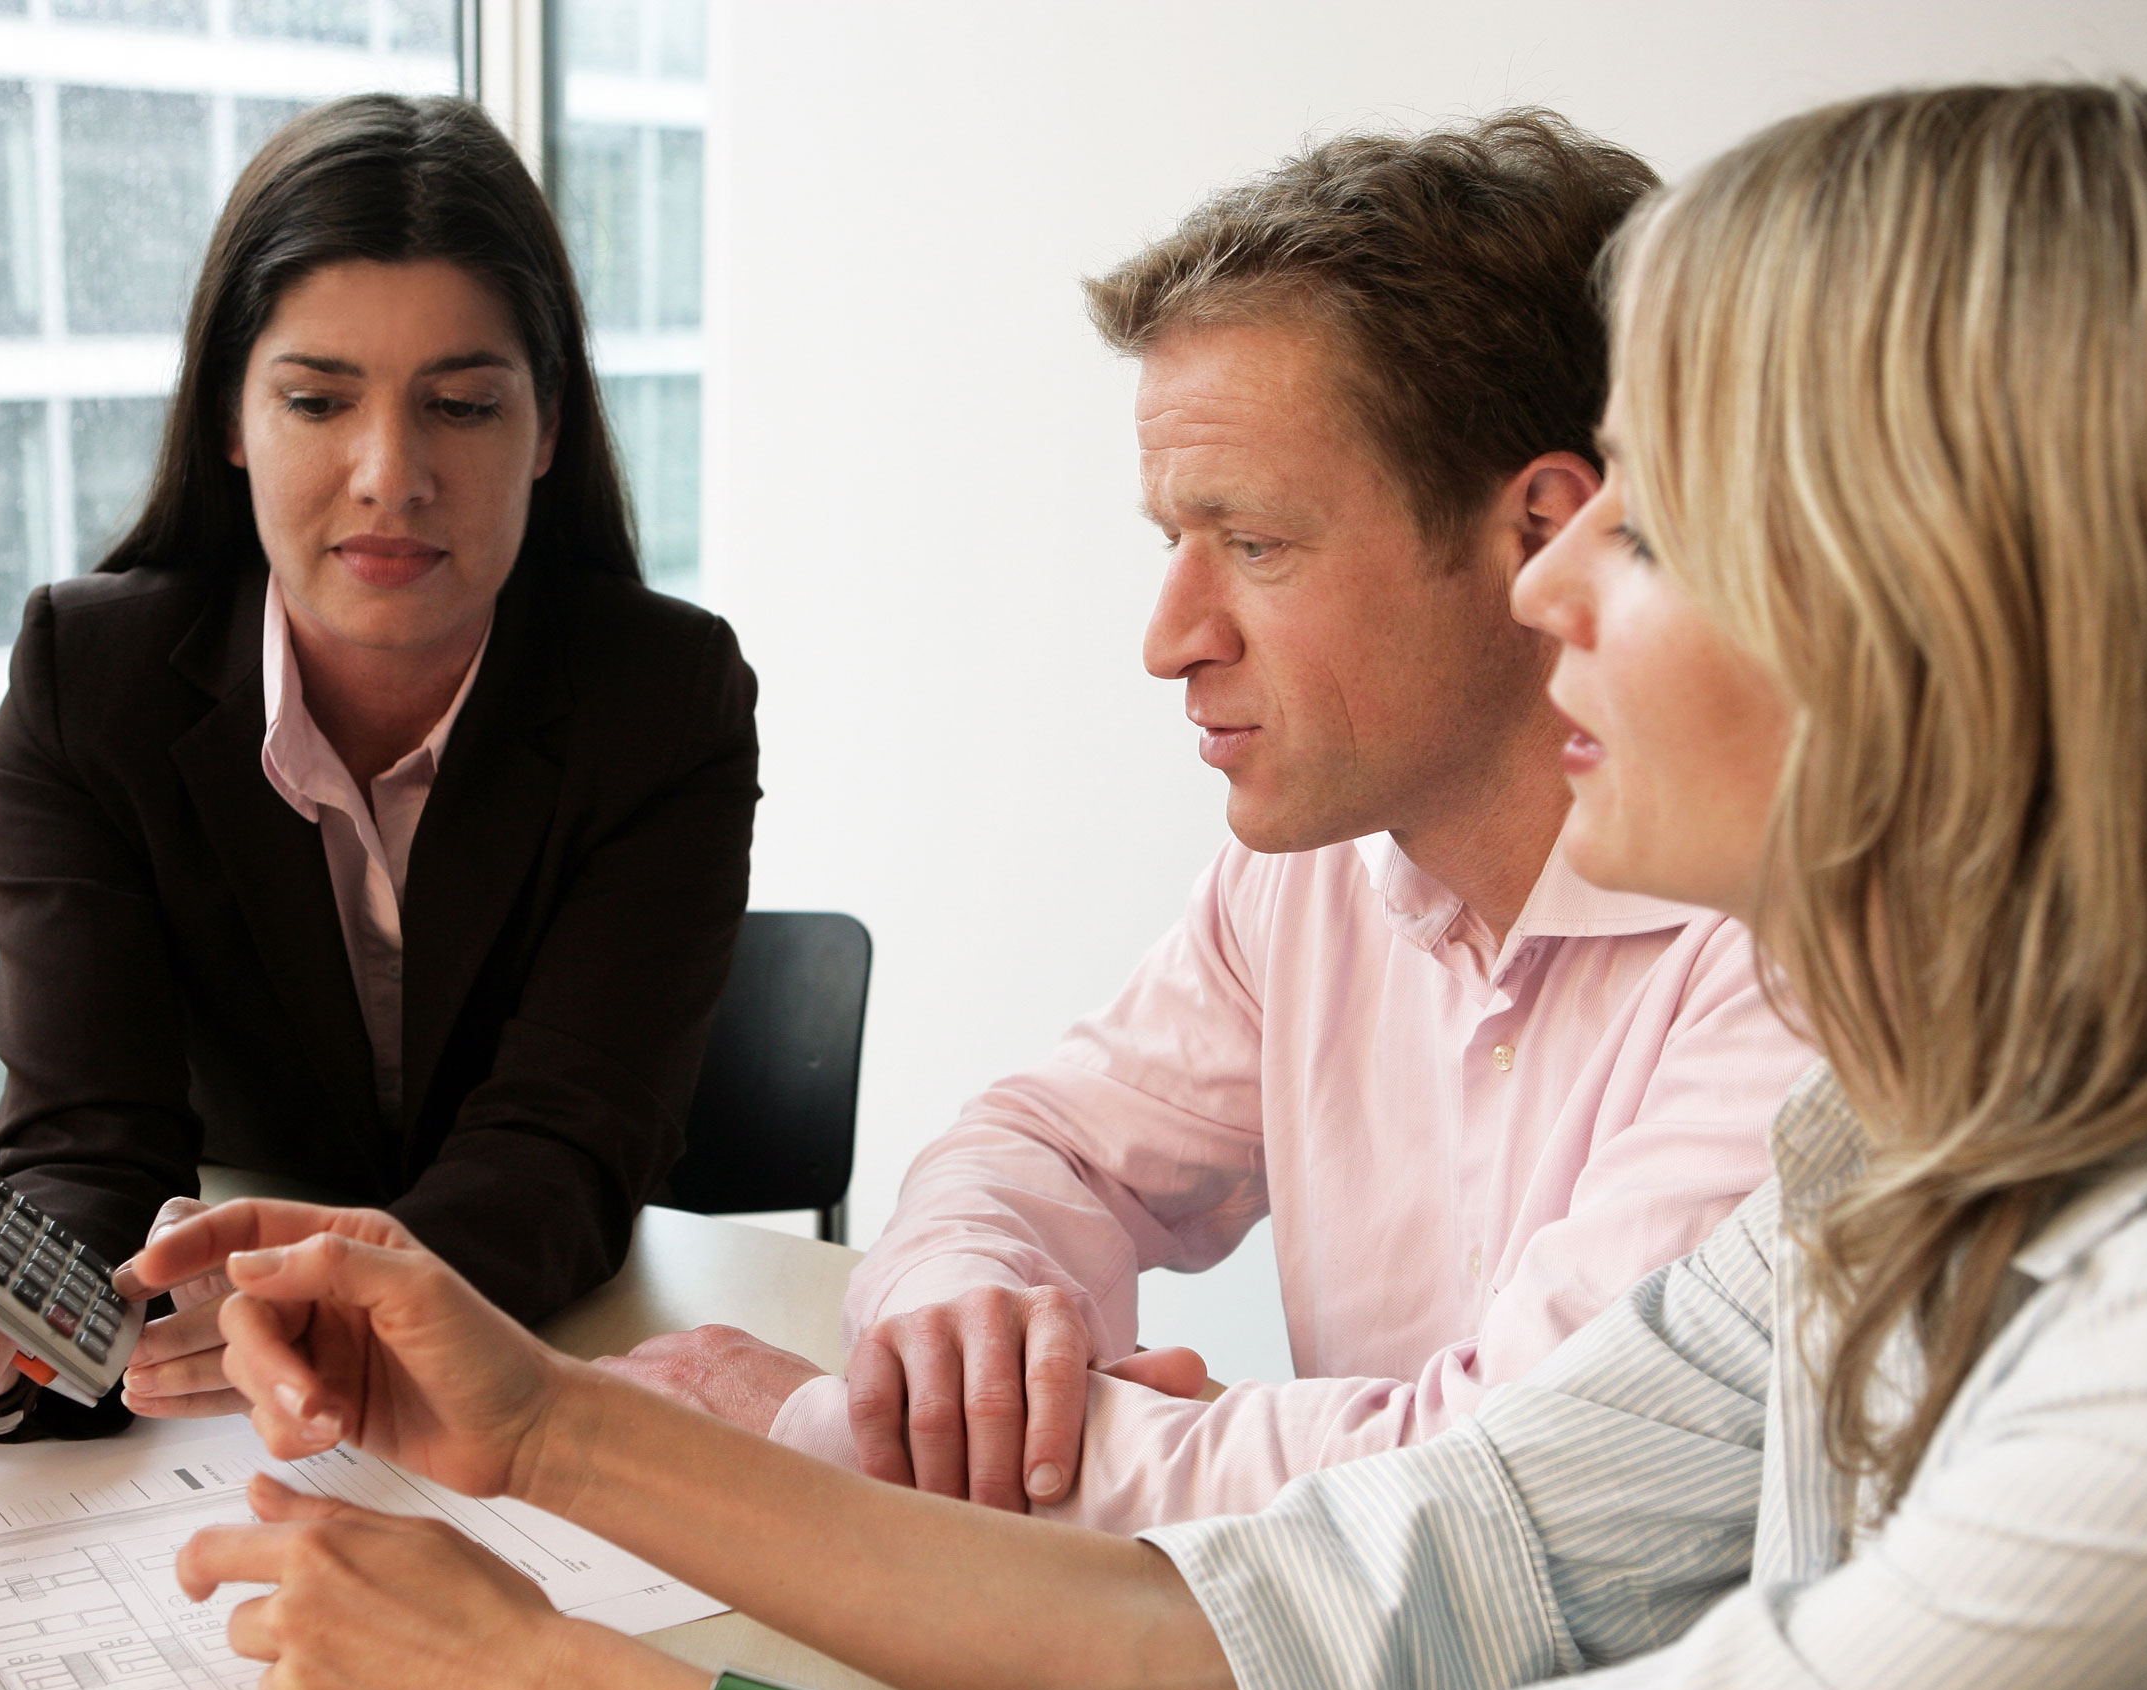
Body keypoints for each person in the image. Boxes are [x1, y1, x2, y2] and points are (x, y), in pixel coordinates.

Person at [141, 82, 2147, 1690]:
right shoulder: (1916, 1130)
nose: (1558, 588)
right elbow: (1400, 1580)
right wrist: (549, 1435)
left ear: (1956, 612)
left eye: (1650, 523)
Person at [614, 113, 1811, 1525]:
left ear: (1542, 533)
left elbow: (1505, 1491)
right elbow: (1039, 1147)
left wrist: (831, 1428)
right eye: (1169, 543)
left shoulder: (1790, 939)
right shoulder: (1313, 880)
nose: (1170, 638)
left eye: (1254, 545)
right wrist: (965, 1334)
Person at [0, 95, 759, 1440]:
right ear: (231, 419)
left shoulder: (663, 699)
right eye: (316, 400)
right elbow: (92, 1143)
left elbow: (564, 1148)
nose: (389, 475)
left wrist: (338, 1312)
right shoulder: (93, 682)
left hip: (537, 1361)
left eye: (464, 405)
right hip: (221, 1404)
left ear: (546, 433)